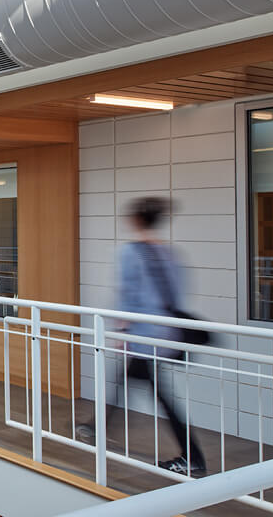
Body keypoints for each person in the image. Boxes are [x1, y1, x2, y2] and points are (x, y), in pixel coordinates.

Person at [79, 197, 206, 477]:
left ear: (136, 220)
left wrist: (122, 330)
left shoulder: (132, 253)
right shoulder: (170, 254)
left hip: (143, 335)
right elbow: (176, 294)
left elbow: (128, 295)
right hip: (164, 332)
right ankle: (96, 426)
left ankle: (193, 457)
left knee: (160, 395)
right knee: (127, 380)